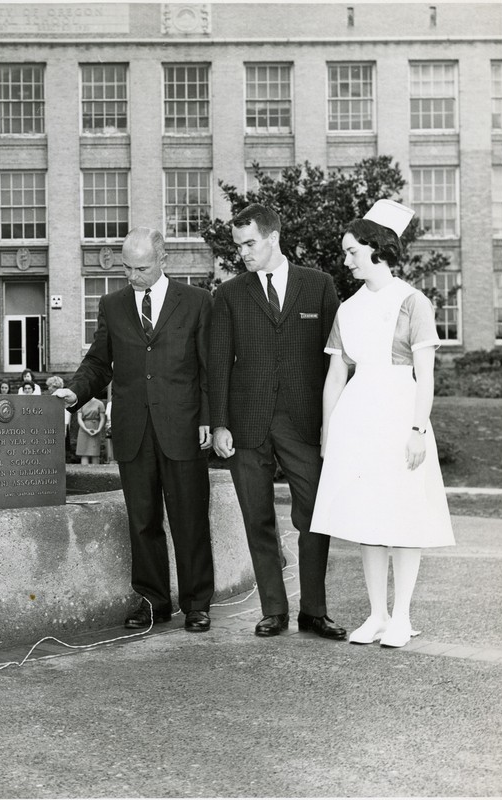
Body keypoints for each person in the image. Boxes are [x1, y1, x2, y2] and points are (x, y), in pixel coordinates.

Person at [55, 227, 214, 633]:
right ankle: (152, 600)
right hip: (134, 430)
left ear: (163, 260)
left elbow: (209, 368)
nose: (132, 276)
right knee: (142, 522)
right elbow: (97, 362)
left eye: (141, 268)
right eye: (127, 267)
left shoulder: (197, 302)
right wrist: (75, 391)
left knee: (189, 519)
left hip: (182, 427)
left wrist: (210, 419)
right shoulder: (112, 305)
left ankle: (197, 603)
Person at [312, 199, 455, 648]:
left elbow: (425, 375)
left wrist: (418, 430)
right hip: (358, 419)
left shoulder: (413, 302)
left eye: (352, 250)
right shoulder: (348, 308)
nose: (346, 259)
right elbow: (336, 375)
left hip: (399, 416)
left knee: (403, 516)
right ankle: (376, 615)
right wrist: (327, 433)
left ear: (378, 250)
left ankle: (401, 617)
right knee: (367, 519)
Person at [209, 203, 345, 640]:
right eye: (238, 246)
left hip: (305, 424)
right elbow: (217, 364)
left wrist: (333, 421)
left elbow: (338, 360)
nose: (243, 253)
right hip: (247, 425)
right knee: (258, 518)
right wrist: (219, 424)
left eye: (250, 243)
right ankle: (273, 610)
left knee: (314, 517)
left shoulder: (319, 286)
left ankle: (314, 611)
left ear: (272, 237)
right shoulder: (229, 295)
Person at [75, 396, 106, 465]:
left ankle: (95, 473)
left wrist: (98, 430)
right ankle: (83, 473)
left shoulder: (99, 403)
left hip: (95, 428)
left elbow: (102, 418)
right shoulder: (80, 403)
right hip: (83, 428)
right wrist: (86, 429)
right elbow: (79, 418)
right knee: (84, 452)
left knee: (95, 452)